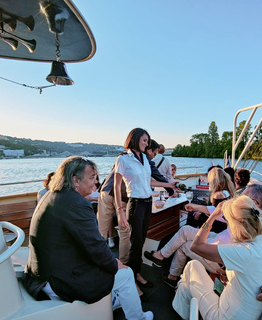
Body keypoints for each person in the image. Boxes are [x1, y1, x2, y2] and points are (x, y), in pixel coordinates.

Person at [22, 156, 153, 320]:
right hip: (58, 280)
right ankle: (138, 318)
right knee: (126, 274)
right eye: (92, 178)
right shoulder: (76, 203)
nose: (96, 183)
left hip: (41, 274)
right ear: (75, 180)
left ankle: (112, 300)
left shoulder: (53, 195)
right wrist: (115, 264)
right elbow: (95, 246)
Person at [145, 183, 262, 302]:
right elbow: (219, 212)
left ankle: (171, 275)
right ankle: (162, 257)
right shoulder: (247, 215)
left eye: (242, 197)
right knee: (185, 231)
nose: (237, 199)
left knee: (184, 245)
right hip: (217, 238)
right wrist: (195, 207)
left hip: (220, 257)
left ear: (254, 203)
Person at [172, 196, 262, 320]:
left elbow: (196, 246)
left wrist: (213, 216)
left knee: (192, 266)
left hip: (225, 316)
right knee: (185, 284)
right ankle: (182, 301)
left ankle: (182, 310)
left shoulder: (244, 251)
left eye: (227, 221)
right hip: (245, 312)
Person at [114, 128, 176, 290]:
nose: (146, 144)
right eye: (144, 140)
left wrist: (168, 185)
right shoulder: (123, 159)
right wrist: (120, 210)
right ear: (134, 139)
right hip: (136, 204)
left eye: (147, 141)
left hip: (148, 203)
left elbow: (149, 182)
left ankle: (136, 273)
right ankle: (134, 278)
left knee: (141, 241)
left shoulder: (144, 159)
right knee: (136, 243)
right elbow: (116, 185)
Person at [97, 141, 175, 264]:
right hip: (123, 196)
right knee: (125, 232)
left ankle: (100, 264)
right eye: (154, 153)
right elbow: (155, 176)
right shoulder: (143, 159)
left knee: (101, 231)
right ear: (149, 150)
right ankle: (123, 263)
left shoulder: (123, 156)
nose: (154, 157)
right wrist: (170, 190)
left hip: (106, 191)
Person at [186, 167, 235, 233]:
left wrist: (201, 228)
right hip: (220, 226)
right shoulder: (227, 193)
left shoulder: (218, 195)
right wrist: (201, 212)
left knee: (185, 228)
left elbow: (214, 213)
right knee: (193, 215)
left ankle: (194, 234)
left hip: (212, 229)